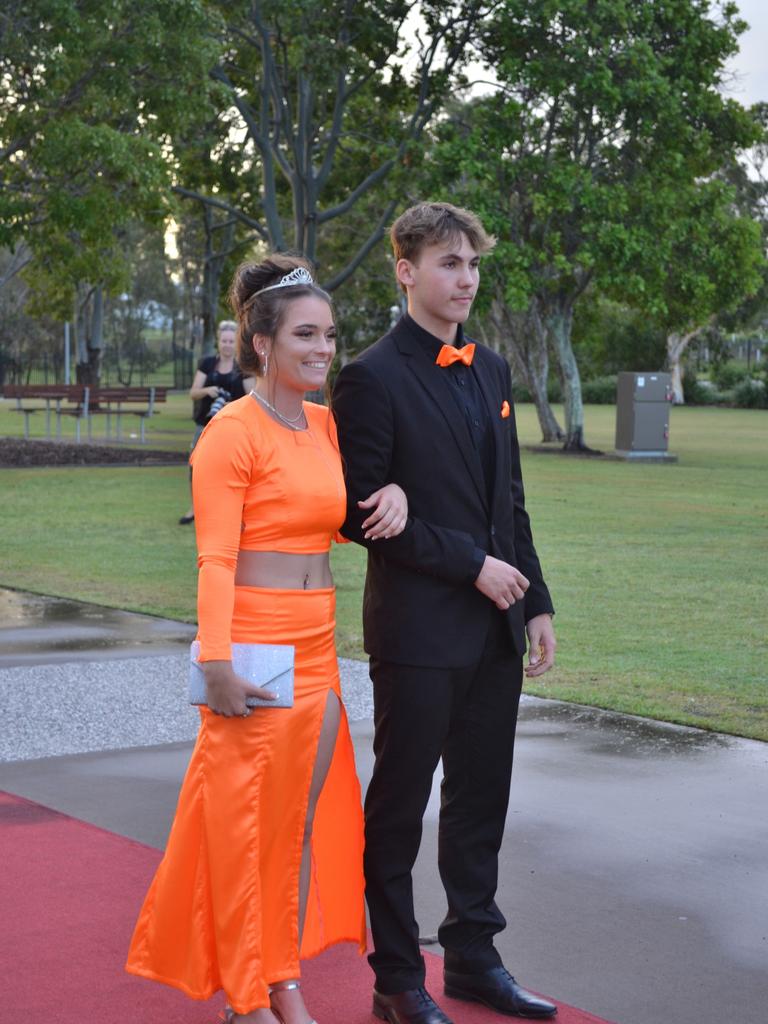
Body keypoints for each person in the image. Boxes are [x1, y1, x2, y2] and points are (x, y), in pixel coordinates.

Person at [126, 255, 409, 1024]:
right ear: (261, 344)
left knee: (290, 831)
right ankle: (249, 998)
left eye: (330, 335)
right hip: (251, 647)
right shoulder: (229, 433)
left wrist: (394, 491)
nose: (324, 349)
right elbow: (216, 558)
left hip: (318, 647)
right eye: (306, 335)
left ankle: (279, 982)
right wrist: (212, 660)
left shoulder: (324, 425)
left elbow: (333, 521)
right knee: (245, 831)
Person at [332, 202, 558, 1024]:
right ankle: (396, 978)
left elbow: (511, 502)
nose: (464, 279)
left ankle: (472, 957)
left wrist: (533, 601)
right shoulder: (369, 375)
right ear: (405, 270)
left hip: (496, 629)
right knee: (398, 807)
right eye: (447, 264)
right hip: (418, 632)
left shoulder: (492, 370)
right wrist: (476, 566)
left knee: (480, 801)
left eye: (471, 265)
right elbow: (361, 515)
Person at [178, 319, 255, 525]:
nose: (227, 344)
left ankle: (238, 510)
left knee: (236, 467)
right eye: (224, 341)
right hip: (206, 424)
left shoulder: (243, 367)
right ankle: (194, 507)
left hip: (234, 427)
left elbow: (254, 398)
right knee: (197, 466)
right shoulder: (207, 364)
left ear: (236, 342)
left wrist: (232, 403)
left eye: (231, 341)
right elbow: (193, 393)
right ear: (218, 342)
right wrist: (207, 391)